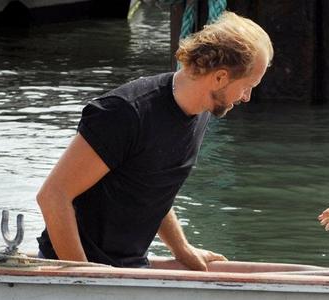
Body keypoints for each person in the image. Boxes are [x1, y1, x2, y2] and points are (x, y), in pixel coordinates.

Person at [36, 12, 273, 269]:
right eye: (248, 85)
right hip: (73, 273)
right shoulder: (125, 113)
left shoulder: (200, 113)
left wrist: (182, 248)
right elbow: (53, 196)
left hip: (132, 269)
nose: (247, 97)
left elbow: (151, 189)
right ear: (219, 77)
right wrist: (84, 278)